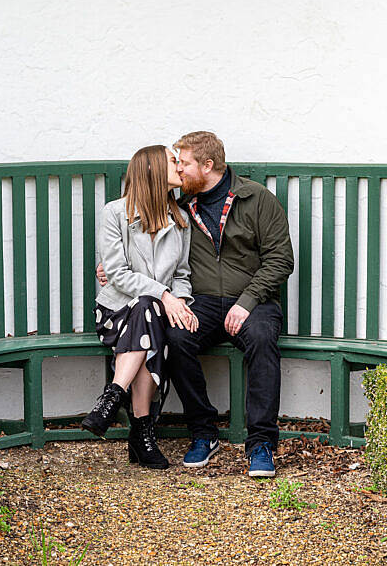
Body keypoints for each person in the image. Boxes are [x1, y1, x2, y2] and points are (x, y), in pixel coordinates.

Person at [99, 131, 294, 477]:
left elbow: (281, 259)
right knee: (176, 337)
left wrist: (247, 301)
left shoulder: (257, 199)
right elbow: (145, 245)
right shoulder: (180, 207)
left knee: (263, 339)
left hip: (252, 302)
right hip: (200, 302)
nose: (179, 169)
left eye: (184, 163)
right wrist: (108, 269)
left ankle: (261, 442)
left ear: (207, 165)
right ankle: (203, 431)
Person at [81, 144, 199, 470]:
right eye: (173, 161)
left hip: (156, 313)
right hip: (116, 311)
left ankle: (113, 396)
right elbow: (116, 274)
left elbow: (183, 276)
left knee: (148, 313)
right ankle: (142, 435)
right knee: (146, 311)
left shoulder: (181, 220)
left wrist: (181, 304)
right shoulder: (115, 213)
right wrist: (164, 295)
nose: (179, 165)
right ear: (152, 170)